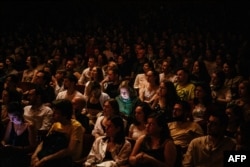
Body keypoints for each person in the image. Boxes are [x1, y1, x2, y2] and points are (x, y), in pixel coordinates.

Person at [31, 99, 85, 167]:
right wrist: (35, 155)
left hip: (66, 159)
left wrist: (45, 159)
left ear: (65, 115)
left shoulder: (76, 127)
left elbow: (70, 150)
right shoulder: (56, 124)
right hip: (51, 154)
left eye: (56, 113)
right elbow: (44, 142)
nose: (52, 115)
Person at [0, 101, 36, 167]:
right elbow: (5, 139)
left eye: (14, 117)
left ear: (21, 114)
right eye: (10, 117)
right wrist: (4, 144)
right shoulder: (11, 123)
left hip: (22, 155)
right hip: (10, 154)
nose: (11, 120)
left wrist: (15, 148)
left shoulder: (29, 126)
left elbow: (32, 147)